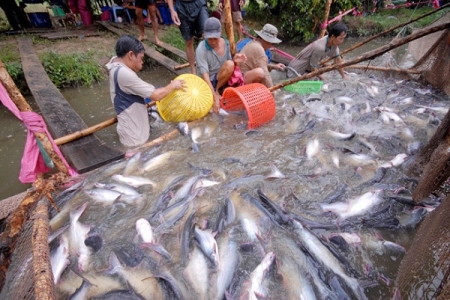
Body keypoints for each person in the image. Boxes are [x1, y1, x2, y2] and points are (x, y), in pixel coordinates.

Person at [106, 35, 186, 147]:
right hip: (135, 139)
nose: (142, 62)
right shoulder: (124, 74)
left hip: (131, 129)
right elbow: (156, 96)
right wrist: (173, 86)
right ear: (130, 55)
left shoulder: (115, 63)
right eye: (141, 58)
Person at [196, 17, 246, 113]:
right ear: (204, 36)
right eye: (210, 39)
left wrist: (235, 60)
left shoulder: (226, 43)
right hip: (209, 81)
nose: (213, 42)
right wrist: (215, 96)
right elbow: (205, 75)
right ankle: (217, 91)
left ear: (220, 33)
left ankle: (220, 90)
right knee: (230, 65)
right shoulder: (201, 49)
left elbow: (229, 65)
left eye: (216, 38)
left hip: (222, 77)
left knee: (231, 64)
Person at [167, 0, 209, 74]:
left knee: (207, 35)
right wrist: (172, 11)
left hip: (199, 3)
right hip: (182, 6)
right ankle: (193, 69)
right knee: (188, 40)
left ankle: (210, 66)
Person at [238, 23, 285, 88]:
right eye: (271, 43)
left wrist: (273, 66)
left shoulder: (254, 43)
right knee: (260, 73)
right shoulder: (258, 49)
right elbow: (265, 75)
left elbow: (259, 65)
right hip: (240, 82)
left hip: (241, 77)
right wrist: (273, 91)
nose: (270, 46)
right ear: (266, 40)